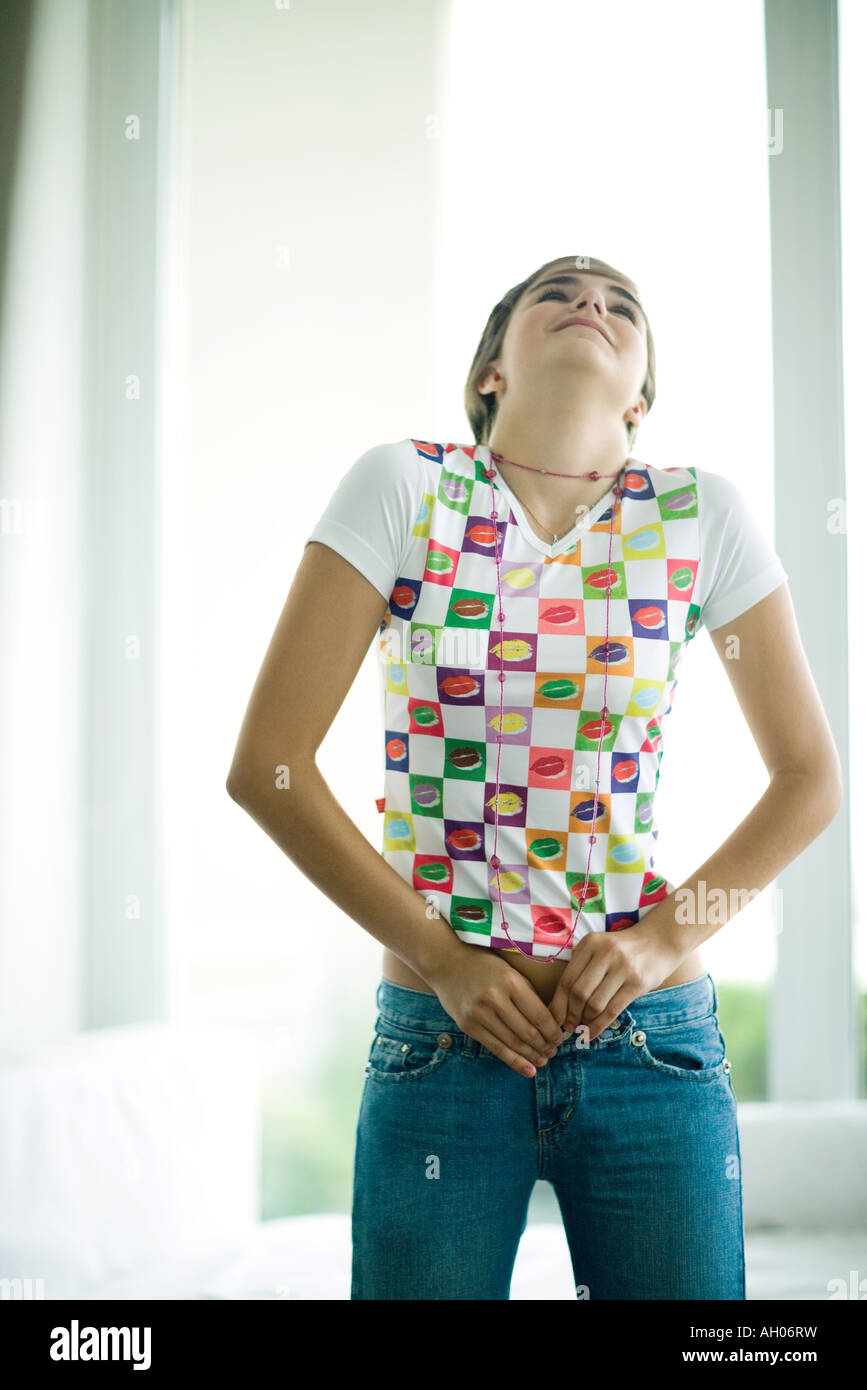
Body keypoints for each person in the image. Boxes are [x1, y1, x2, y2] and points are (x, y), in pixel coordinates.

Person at [226, 254, 843, 1300]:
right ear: (491, 373)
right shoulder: (405, 486)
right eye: (557, 292)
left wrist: (664, 938)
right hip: (440, 1045)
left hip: (653, 1051)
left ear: (640, 396)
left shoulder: (700, 515)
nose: (591, 302)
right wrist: (445, 960)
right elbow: (268, 768)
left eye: (621, 306)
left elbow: (810, 779)